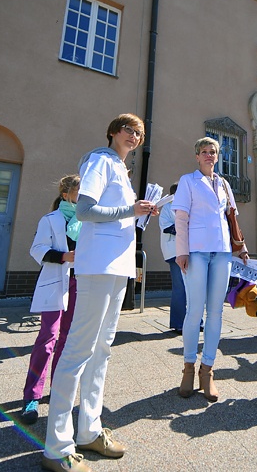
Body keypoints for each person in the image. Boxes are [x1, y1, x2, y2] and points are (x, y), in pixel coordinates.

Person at [42, 114, 157, 472]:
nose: (134, 135)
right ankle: (56, 447)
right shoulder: (99, 160)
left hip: (118, 266)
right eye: (128, 129)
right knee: (78, 349)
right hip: (97, 266)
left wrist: (141, 215)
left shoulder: (121, 171)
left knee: (101, 351)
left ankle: (89, 430)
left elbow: (118, 217)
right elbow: (85, 210)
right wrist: (129, 209)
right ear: (112, 133)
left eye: (138, 132)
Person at [173, 137, 246, 402]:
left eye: (212, 152)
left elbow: (232, 218)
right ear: (197, 156)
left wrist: (241, 246)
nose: (208, 155)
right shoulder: (188, 181)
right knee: (195, 311)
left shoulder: (224, 183)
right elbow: (181, 219)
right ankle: (188, 368)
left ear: (217, 156)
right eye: (204, 151)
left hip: (223, 251)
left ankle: (208, 371)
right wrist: (181, 251)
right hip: (196, 252)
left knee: (216, 312)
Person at [22, 174, 82, 425]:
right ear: (67, 193)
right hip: (56, 280)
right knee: (48, 337)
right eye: (81, 191)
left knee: (67, 339)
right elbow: (37, 249)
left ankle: (58, 389)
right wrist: (64, 257)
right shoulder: (50, 219)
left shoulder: (86, 220)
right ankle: (31, 397)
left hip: (80, 282)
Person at [159, 183, 186, 333]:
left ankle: (196, 321)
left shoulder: (188, 207)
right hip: (174, 251)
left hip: (189, 251)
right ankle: (178, 323)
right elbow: (167, 227)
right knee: (180, 287)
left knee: (193, 288)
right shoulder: (167, 207)